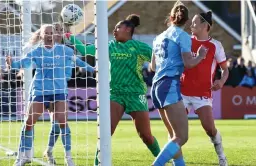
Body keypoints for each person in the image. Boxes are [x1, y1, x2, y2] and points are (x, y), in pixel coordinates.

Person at [68, 14, 161, 165]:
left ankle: (163, 159)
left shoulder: (139, 47)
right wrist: (69, 37)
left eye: (118, 27)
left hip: (136, 94)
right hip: (115, 94)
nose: (114, 30)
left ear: (128, 29)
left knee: (145, 135)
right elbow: (85, 50)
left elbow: (157, 58)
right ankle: (97, 163)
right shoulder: (109, 46)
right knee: (106, 132)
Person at [7, 24, 94, 166]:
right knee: (29, 122)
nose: (49, 35)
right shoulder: (37, 51)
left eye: (51, 32)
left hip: (59, 91)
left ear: (55, 35)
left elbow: (79, 62)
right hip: (41, 91)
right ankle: (24, 156)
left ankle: (68, 158)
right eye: (46, 33)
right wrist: (13, 64)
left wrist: (94, 69)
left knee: (62, 122)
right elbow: (24, 63)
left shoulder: (65, 50)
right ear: (41, 35)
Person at [150, 1, 208, 166]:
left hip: (156, 87)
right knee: (182, 136)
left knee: (173, 135)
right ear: (187, 21)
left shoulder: (158, 37)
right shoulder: (182, 36)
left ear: (170, 17)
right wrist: (200, 55)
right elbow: (189, 63)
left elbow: (153, 67)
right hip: (169, 85)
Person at [179, 11, 229, 166]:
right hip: (182, 93)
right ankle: (177, 161)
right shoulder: (186, 41)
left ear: (205, 26)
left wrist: (221, 81)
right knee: (177, 130)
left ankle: (221, 156)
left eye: (194, 22)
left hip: (203, 94)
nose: (191, 25)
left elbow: (225, 69)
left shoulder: (216, 46)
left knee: (209, 129)